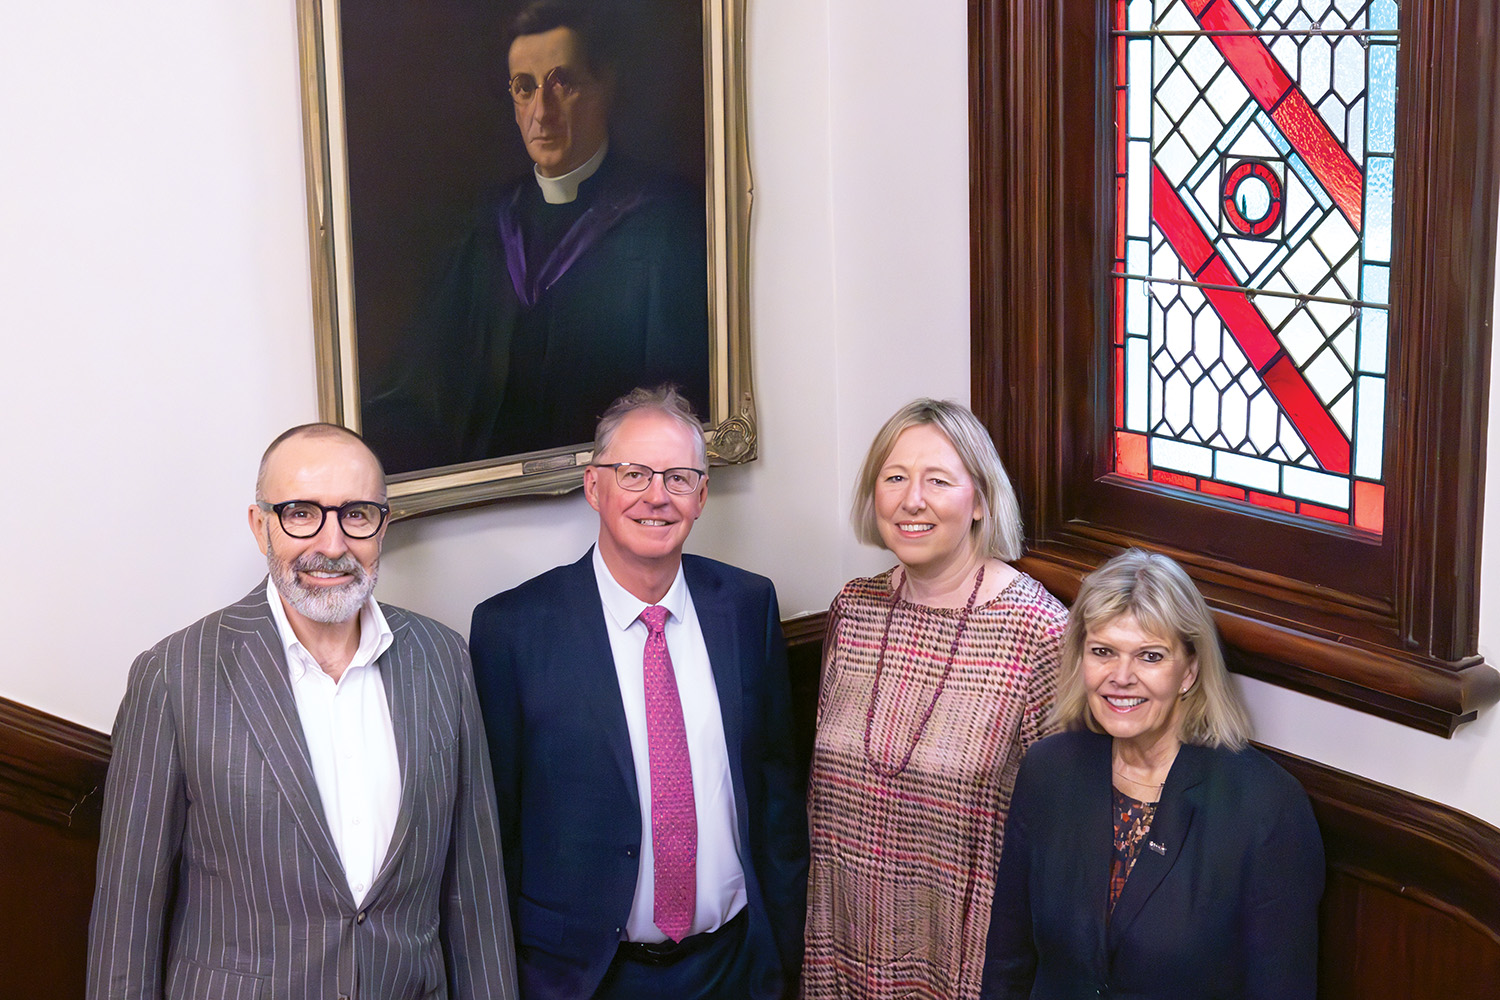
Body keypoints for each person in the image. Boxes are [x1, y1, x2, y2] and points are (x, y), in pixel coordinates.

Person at [86, 424, 518, 1000]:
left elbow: (476, 892)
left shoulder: (443, 660)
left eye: (357, 515)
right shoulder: (174, 673)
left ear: (383, 525)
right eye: (300, 513)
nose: (333, 545)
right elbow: (127, 916)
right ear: (259, 524)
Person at [469, 386, 806, 999]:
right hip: (586, 977)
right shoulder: (513, 629)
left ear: (702, 496)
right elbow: (498, 832)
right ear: (594, 487)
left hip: (735, 964)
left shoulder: (747, 606)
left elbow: (775, 788)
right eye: (634, 474)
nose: (658, 496)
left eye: (679, 477)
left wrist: (781, 948)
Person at [364, 0, 710, 472]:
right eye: (524, 89)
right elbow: (422, 384)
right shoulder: (485, 230)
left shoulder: (663, 221)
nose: (541, 112)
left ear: (604, 85)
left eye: (561, 83)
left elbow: (687, 396)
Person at [801, 398, 1068, 1000]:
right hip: (838, 945)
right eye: (894, 478)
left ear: (979, 500)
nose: (911, 500)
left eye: (938, 481)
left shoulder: (1036, 631)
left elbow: (1063, 835)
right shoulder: (854, 610)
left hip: (965, 960)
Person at [981, 549, 1324, 1000]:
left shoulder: (1266, 808)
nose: (1120, 677)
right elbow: (1009, 963)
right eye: (1103, 651)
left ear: (1190, 670)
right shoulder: (1049, 770)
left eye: (1150, 656)